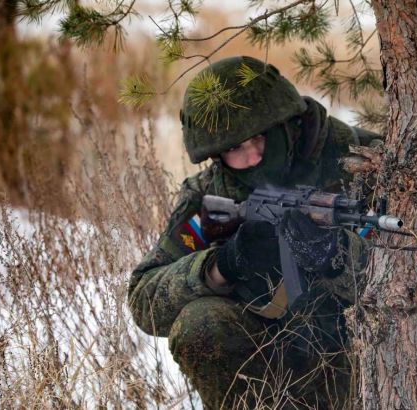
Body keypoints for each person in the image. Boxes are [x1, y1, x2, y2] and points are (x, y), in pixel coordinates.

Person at [128, 56, 382, 409]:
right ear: (216, 154)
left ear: (285, 122)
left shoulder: (365, 163)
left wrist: (339, 256)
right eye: (234, 149)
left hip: (355, 355)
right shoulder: (212, 192)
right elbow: (145, 303)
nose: (251, 159)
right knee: (199, 324)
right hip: (264, 365)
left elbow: (415, 275)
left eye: (259, 139)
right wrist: (221, 266)